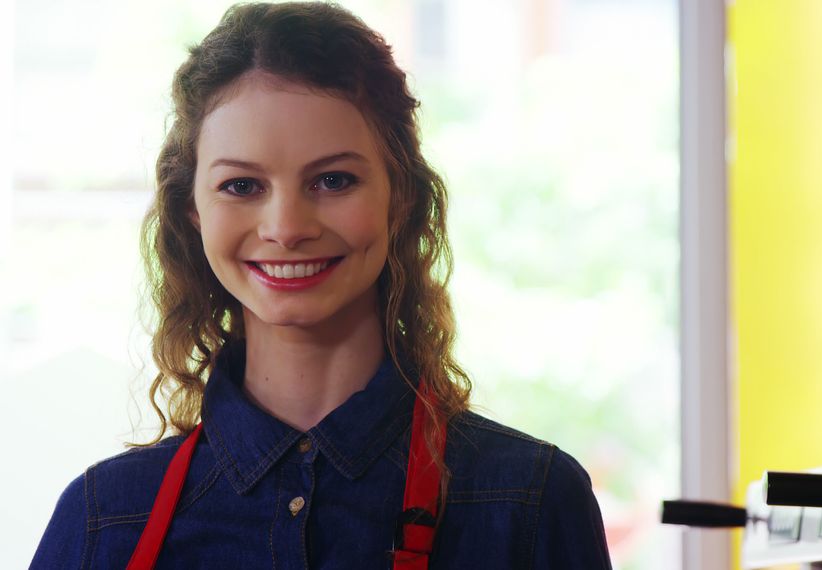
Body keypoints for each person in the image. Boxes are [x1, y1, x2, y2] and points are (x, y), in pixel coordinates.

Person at [31, 3, 611, 568]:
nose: (286, 228)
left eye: (333, 180)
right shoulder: (103, 519)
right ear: (193, 212)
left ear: (400, 197)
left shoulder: (531, 502)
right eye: (241, 185)